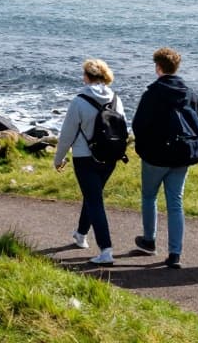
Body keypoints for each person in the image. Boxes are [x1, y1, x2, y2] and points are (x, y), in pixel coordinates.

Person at [130, 47, 198, 269]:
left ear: (158, 67)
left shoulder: (152, 94)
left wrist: (143, 148)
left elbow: (138, 125)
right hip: (182, 154)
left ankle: (149, 240)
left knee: (149, 196)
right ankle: (175, 253)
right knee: (175, 203)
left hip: (155, 155)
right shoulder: (190, 93)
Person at [53, 58, 125, 265]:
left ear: (87, 76)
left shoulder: (79, 101)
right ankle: (80, 234)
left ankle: (106, 250)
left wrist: (59, 159)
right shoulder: (116, 99)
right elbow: (123, 127)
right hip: (110, 156)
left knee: (94, 200)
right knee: (93, 195)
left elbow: (67, 134)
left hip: (85, 157)